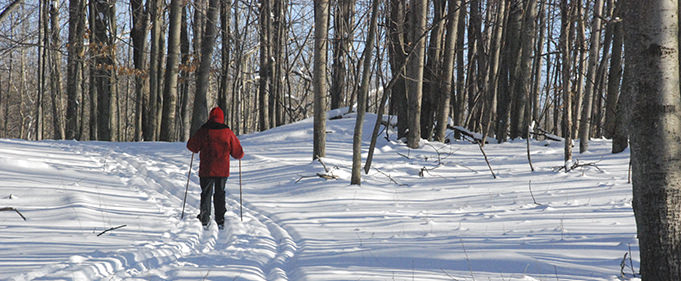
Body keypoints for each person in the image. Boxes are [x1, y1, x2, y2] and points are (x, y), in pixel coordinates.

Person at [187, 107, 244, 230]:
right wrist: (239, 154)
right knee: (220, 193)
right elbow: (238, 152)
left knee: (206, 193)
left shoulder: (204, 130)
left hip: (206, 169)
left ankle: (204, 217)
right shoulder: (227, 132)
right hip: (222, 170)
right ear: (222, 118)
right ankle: (220, 218)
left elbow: (192, 146)